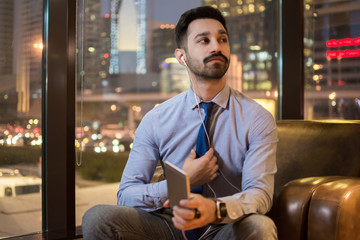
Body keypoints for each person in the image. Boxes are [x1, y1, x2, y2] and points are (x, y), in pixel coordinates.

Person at [82, 6, 278, 240]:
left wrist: (214, 209)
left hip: (226, 226)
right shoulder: (156, 119)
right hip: (171, 228)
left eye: (222, 39)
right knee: (98, 218)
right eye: (204, 40)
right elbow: (126, 195)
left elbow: (261, 194)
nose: (216, 46)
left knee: (260, 227)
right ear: (181, 57)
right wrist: (182, 183)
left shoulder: (257, 118)